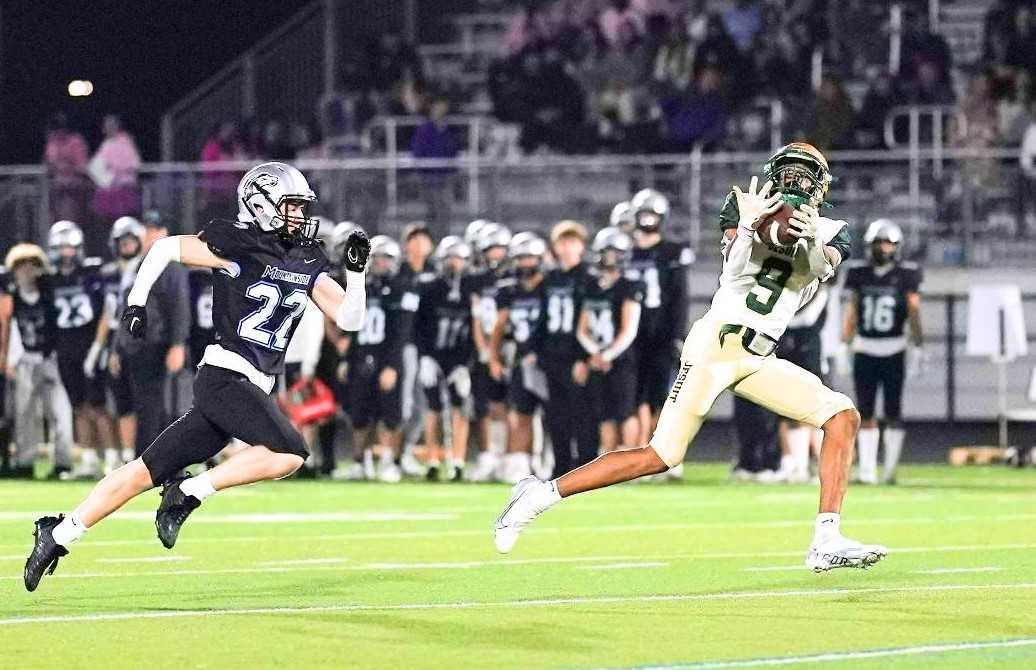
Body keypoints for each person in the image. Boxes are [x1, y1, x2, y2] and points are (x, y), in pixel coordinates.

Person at [493, 143, 887, 573]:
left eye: (804, 174)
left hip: (759, 355)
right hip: (716, 346)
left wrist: (810, 237)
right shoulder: (744, 205)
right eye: (789, 171)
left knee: (842, 416)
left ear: (821, 184)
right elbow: (733, 270)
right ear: (774, 172)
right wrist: (751, 228)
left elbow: (815, 268)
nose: (795, 181)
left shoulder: (832, 229)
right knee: (661, 455)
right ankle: (539, 495)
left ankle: (825, 539)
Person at [24, 161, 371, 592]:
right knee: (290, 453)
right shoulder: (238, 242)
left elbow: (349, 318)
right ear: (261, 205)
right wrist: (135, 303)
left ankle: (58, 533)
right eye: (291, 206)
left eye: (301, 208)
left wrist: (356, 276)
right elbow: (166, 248)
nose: (299, 216)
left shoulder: (307, 257)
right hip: (225, 375)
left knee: (141, 472)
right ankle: (188, 493)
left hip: (248, 386)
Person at [839, 220, 923, 485]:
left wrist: (918, 345)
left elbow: (913, 311)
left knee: (893, 411)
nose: (883, 248)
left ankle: (889, 470)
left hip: (894, 348)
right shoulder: (859, 273)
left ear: (897, 247)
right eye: (879, 243)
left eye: (888, 243)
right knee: (865, 411)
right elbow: (852, 310)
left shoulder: (906, 274)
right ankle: (866, 471)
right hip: (865, 347)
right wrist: (844, 343)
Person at [332, 235, 415, 483]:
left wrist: (393, 366)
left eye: (386, 258)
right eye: (377, 257)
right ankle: (360, 461)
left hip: (386, 355)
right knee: (359, 413)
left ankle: (389, 460)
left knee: (389, 414)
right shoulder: (361, 287)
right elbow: (352, 327)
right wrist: (347, 358)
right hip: (361, 355)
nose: (381, 262)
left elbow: (402, 332)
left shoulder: (403, 288)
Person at [623, 188, 693, 477]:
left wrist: (678, 334)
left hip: (663, 334)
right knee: (636, 397)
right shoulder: (627, 251)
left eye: (653, 214)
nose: (648, 219)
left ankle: (665, 454)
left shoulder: (672, 252)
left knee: (664, 397)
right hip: (633, 336)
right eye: (644, 214)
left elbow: (680, 296)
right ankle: (642, 455)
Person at [113, 211, 191, 457]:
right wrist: (118, 347)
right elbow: (125, 310)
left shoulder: (170, 265)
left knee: (157, 405)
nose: (150, 235)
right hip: (137, 345)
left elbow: (179, 306)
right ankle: (147, 457)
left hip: (157, 344)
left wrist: (177, 344)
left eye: (155, 230)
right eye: (147, 230)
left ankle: (151, 459)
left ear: (165, 233)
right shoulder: (139, 264)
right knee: (144, 404)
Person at [0, 244, 75, 480]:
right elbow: (8, 330)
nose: (27, 271)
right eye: (22, 266)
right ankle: (25, 462)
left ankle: (63, 463)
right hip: (23, 360)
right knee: (24, 414)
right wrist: (8, 359)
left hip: (48, 359)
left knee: (60, 411)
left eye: (32, 265)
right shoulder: (11, 298)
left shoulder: (48, 294)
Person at [47, 220, 115, 479]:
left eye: (69, 247)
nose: (66, 253)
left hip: (89, 347)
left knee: (98, 405)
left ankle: (111, 459)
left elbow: (105, 313)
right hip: (66, 349)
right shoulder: (49, 280)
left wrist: (97, 348)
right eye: (61, 248)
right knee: (78, 406)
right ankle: (87, 460)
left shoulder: (92, 274)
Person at [575, 227, 644, 455]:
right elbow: (582, 329)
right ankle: (608, 457)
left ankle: (628, 460)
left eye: (616, 253)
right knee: (604, 413)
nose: (610, 258)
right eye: (607, 252)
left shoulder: (629, 285)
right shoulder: (591, 286)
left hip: (621, 358)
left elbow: (629, 330)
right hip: (598, 358)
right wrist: (595, 353)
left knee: (625, 411)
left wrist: (605, 355)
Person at [489, 233, 550, 483]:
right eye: (520, 258)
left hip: (548, 358)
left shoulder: (551, 285)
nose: (525, 263)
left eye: (529, 258)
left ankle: (548, 460)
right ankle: (521, 462)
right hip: (520, 357)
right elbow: (500, 325)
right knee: (520, 414)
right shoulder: (508, 289)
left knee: (553, 414)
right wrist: (493, 357)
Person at [414, 236, 475, 481]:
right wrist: (425, 357)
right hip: (433, 355)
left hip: (459, 359)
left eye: (459, 258)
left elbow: (476, 330)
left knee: (461, 408)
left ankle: (458, 461)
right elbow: (418, 326)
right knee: (432, 408)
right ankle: (431, 460)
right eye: (450, 257)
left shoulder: (472, 289)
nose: (454, 263)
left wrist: (465, 364)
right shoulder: (430, 288)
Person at [540, 221, 596, 476]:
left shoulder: (588, 278)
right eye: (562, 242)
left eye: (572, 241)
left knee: (583, 412)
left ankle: (586, 464)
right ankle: (560, 465)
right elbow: (541, 319)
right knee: (556, 415)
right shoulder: (550, 279)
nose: (567, 247)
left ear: (582, 246)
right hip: (553, 354)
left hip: (577, 355)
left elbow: (592, 321)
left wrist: (584, 357)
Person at [468, 223, 513, 482]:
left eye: (499, 249)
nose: (495, 255)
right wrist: (485, 350)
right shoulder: (477, 280)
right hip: (486, 345)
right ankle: (491, 456)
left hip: (510, 343)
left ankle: (515, 456)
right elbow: (476, 317)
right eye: (490, 249)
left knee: (514, 405)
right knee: (487, 404)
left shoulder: (513, 278)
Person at [88, 115, 141, 257]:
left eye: (111, 126)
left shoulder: (125, 142)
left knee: (126, 227)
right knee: (107, 229)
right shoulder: (106, 144)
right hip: (108, 196)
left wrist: (117, 171)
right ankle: (109, 255)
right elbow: (96, 167)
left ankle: (129, 255)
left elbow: (134, 164)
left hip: (124, 195)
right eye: (106, 127)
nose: (107, 129)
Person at [43, 113, 90, 223]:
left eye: (61, 128)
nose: (58, 133)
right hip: (54, 188)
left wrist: (67, 168)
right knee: (52, 216)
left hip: (73, 188)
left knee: (69, 216)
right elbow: (48, 164)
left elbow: (82, 166)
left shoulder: (76, 142)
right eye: (56, 129)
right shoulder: (52, 143)